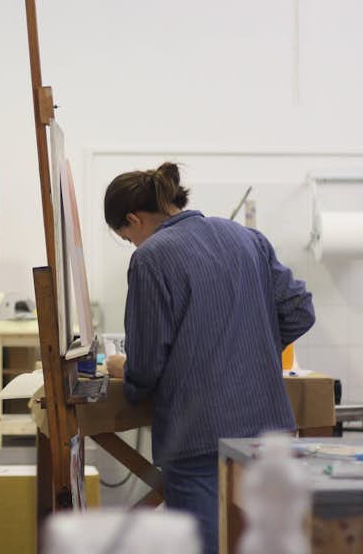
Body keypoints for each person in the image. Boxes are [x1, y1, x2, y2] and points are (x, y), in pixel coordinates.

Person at [102, 162, 314, 554]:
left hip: (199, 438)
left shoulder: (151, 258)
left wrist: (123, 370)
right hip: (269, 435)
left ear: (133, 220)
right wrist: (251, 347)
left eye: (127, 237)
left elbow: (147, 367)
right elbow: (300, 310)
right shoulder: (248, 238)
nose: (133, 245)